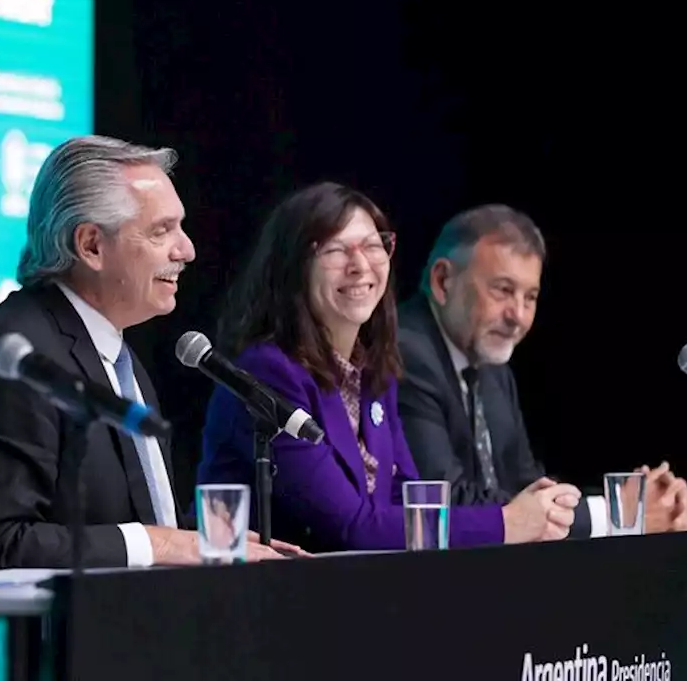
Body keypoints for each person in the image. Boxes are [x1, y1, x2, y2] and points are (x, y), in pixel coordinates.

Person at [0, 135, 289, 569]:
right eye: (162, 231)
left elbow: (121, 516)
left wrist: (205, 538)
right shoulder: (15, 360)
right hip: (54, 636)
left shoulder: (111, 350)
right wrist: (165, 545)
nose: (187, 250)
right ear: (91, 246)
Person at [198, 182, 580, 551]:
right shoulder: (270, 372)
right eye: (336, 250)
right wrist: (506, 522)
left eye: (372, 246)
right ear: (295, 266)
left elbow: (406, 501)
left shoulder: (372, 370)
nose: (360, 265)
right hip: (269, 599)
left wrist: (535, 510)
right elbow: (352, 526)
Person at [397, 204, 687, 536]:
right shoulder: (404, 354)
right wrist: (616, 515)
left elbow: (528, 487)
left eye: (531, 297)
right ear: (442, 281)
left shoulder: (491, 367)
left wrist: (636, 501)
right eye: (503, 290)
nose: (518, 316)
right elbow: (445, 502)